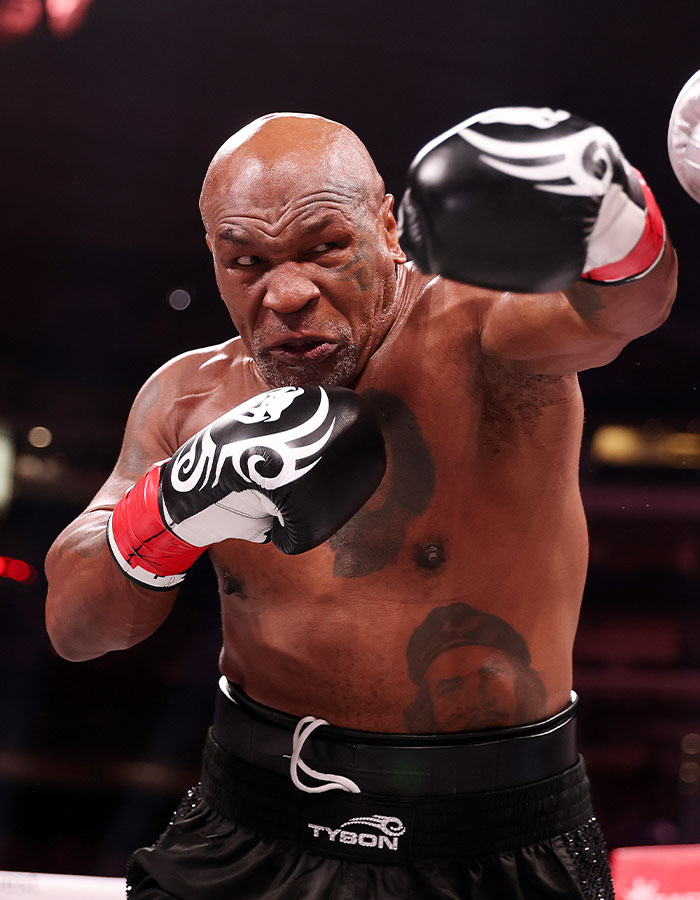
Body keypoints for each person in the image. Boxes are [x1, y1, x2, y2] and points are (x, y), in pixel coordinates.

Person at [45, 108, 677, 899]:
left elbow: (624, 308)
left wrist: (616, 213)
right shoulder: (188, 401)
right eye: (246, 262)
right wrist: (167, 508)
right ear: (213, 259)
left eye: (324, 248)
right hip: (251, 824)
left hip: (488, 843)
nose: (287, 294)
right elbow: (76, 628)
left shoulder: (483, 334)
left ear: (387, 226)